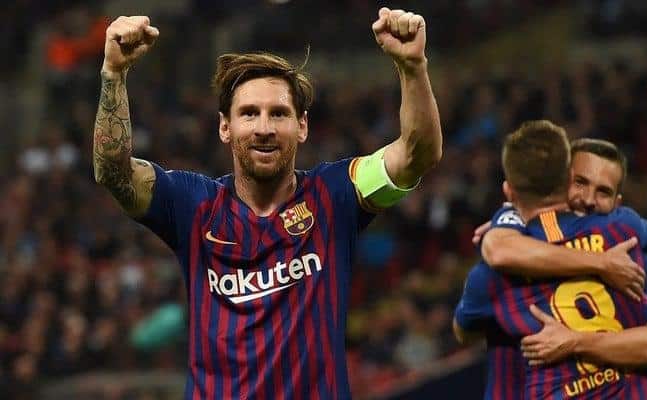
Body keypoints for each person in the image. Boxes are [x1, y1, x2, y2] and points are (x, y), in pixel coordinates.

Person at [92, 8, 441, 400]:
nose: (263, 128)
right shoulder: (192, 205)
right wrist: (113, 73)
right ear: (225, 127)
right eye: (249, 114)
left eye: (278, 114)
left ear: (302, 126)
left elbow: (417, 155)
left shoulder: (334, 194)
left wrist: (413, 67)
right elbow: (114, 172)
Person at [454, 121, 647, 399]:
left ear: (510, 192)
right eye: (581, 182)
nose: (589, 200)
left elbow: (464, 332)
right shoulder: (624, 235)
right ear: (566, 179)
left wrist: (506, 221)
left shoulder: (492, 272)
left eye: (603, 191)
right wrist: (601, 262)